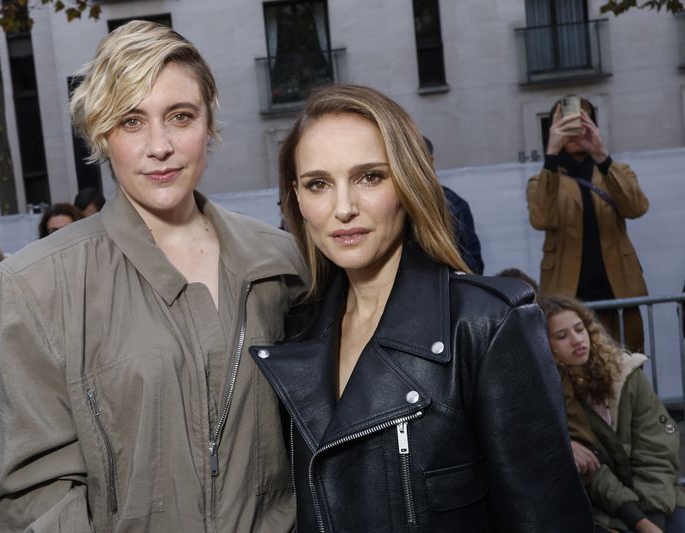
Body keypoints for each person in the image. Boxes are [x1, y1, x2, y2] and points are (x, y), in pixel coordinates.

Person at [0, 21, 306, 531]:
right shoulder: (32, 288)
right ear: (102, 134)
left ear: (208, 124)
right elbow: (36, 501)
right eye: (132, 121)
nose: (160, 146)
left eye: (180, 116)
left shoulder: (281, 263)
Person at [251, 83, 592, 531]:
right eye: (318, 184)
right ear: (296, 198)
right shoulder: (294, 333)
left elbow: (547, 519)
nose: (343, 208)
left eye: (369, 177)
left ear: (408, 181)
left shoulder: (486, 323)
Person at [539, 295, 685, 533]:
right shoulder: (553, 396)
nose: (577, 340)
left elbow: (656, 452)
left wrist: (653, 521)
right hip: (605, 511)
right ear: (545, 345)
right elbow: (593, 473)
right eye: (561, 336)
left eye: (579, 329)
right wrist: (639, 522)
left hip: (658, 501)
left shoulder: (626, 374)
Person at [527, 96, 649, 352]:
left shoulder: (616, 172)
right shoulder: (543, 181)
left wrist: (601, 155)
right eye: (565, 123)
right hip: (568, 297)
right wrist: (551, 154)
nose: (574, 131)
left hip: (619, 292)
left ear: (593, 125)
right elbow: (541, 219)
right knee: (576, 378)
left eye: (581, 122)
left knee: (628, 367)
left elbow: (636, 208)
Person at [422, 135, 484, 274]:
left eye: (416, 159)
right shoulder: (389, 204)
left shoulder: (456, 205)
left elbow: (473, 264)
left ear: (430, 161)